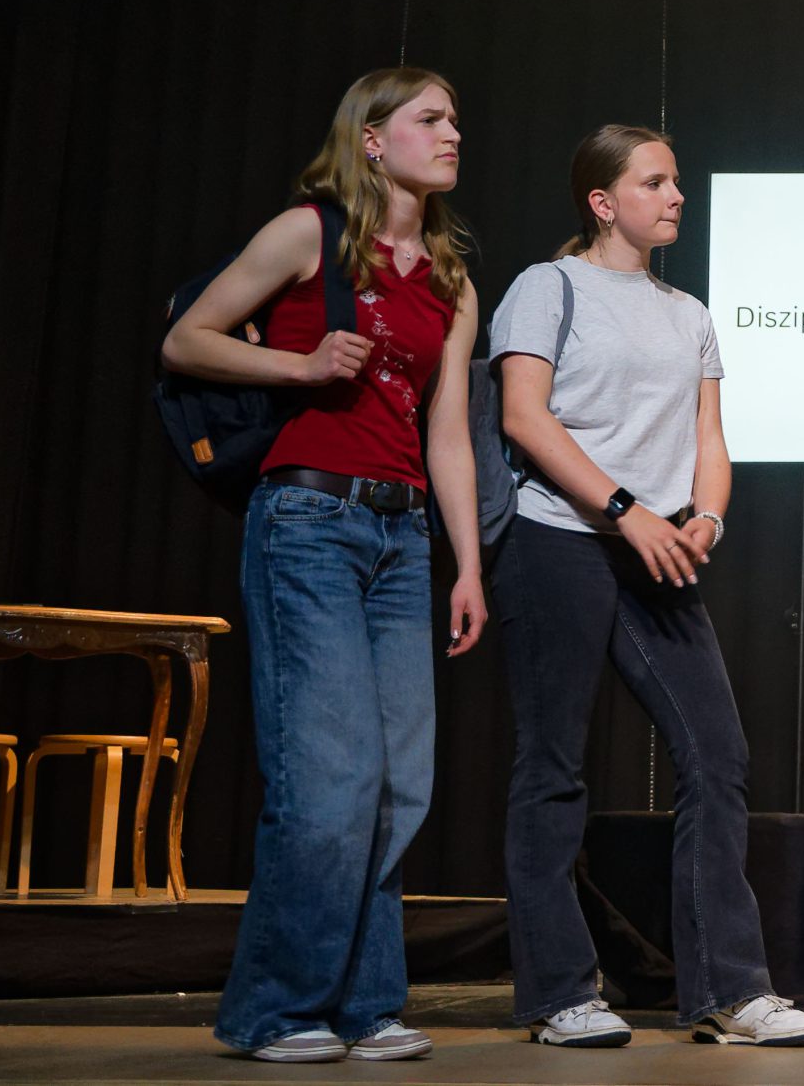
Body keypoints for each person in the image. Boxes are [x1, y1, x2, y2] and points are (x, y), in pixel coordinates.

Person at [162, 66, 486, 1064]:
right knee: (329, 775)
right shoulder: (309, 233)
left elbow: (448, 434)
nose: (452, 133)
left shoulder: (451, 280)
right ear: (372, 138)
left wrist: (468, 565)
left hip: (404, 537)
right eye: (430, 118)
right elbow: (187, 341)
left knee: (400, 785)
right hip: (309, 519)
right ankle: (274, 1008)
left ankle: (364, 1003)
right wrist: (299, 367)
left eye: (455, 120)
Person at [489, 125, 804, 1049]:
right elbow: (525, 417)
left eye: (677, 181)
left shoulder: (689, 311)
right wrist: (625, 507)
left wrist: (706, 514)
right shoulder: (547, 287)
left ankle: (728, 990)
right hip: (559, 540)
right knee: (553, 763)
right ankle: (560, 992)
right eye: (655, 181)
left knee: (718, 754)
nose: (677, 196)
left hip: (659, 550)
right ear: (603, 202)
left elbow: (709, 435)